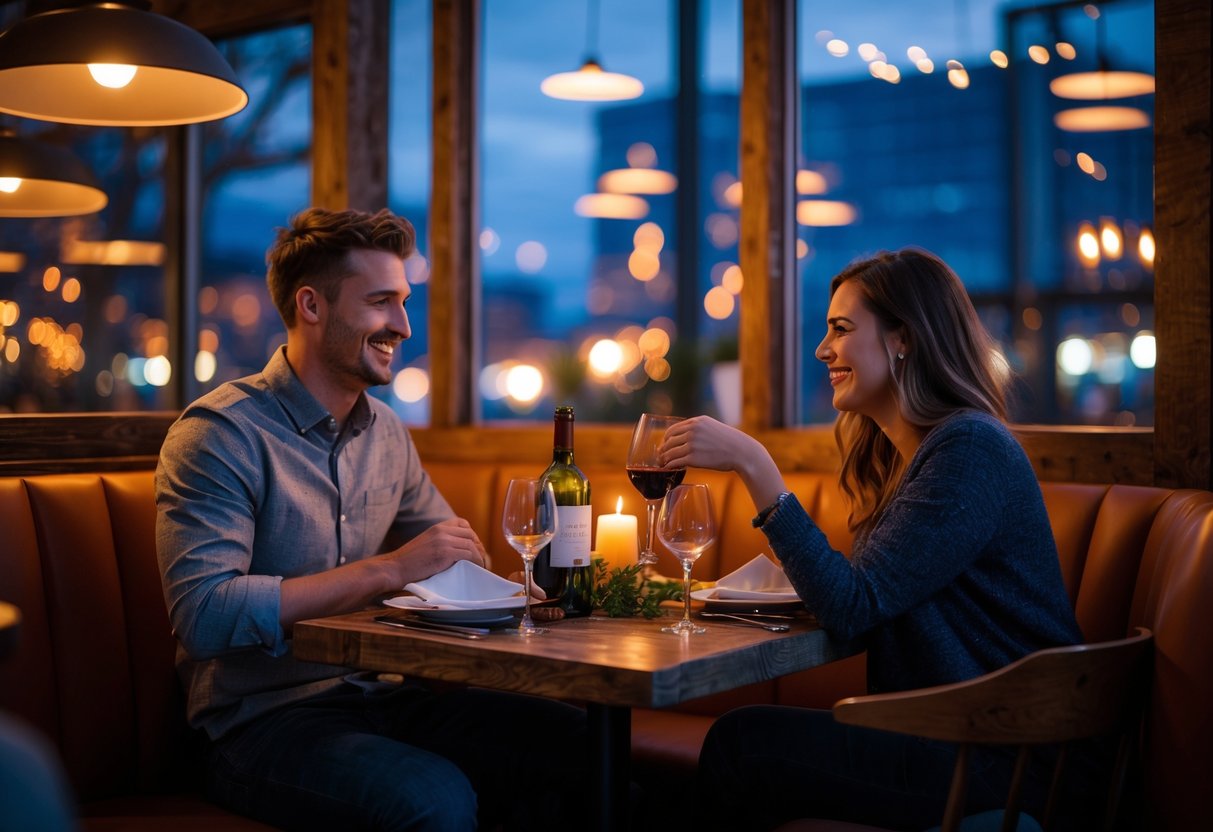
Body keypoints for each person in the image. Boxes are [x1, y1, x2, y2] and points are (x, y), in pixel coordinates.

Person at [156, 207, 586, 831]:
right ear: (311, 306)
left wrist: (483, 576)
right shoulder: (221, 434)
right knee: (431, 800)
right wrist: (391, 570)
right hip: (257, 724)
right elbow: (206, 615)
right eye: (382, 302)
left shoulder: (385, 431)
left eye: (405, 301)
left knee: (580, 749)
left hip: (383, 693)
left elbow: (456, 554)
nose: (405, 326)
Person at [660, 249, 1089, 830]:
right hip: (954, 736)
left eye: (841, 329)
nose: (822, 350)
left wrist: (753, 463)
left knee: (744, 744)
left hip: (999, 757)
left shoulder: (969, 451)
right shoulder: (908, 456)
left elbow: (853, 606)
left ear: (903, 338)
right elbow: (864, 596)